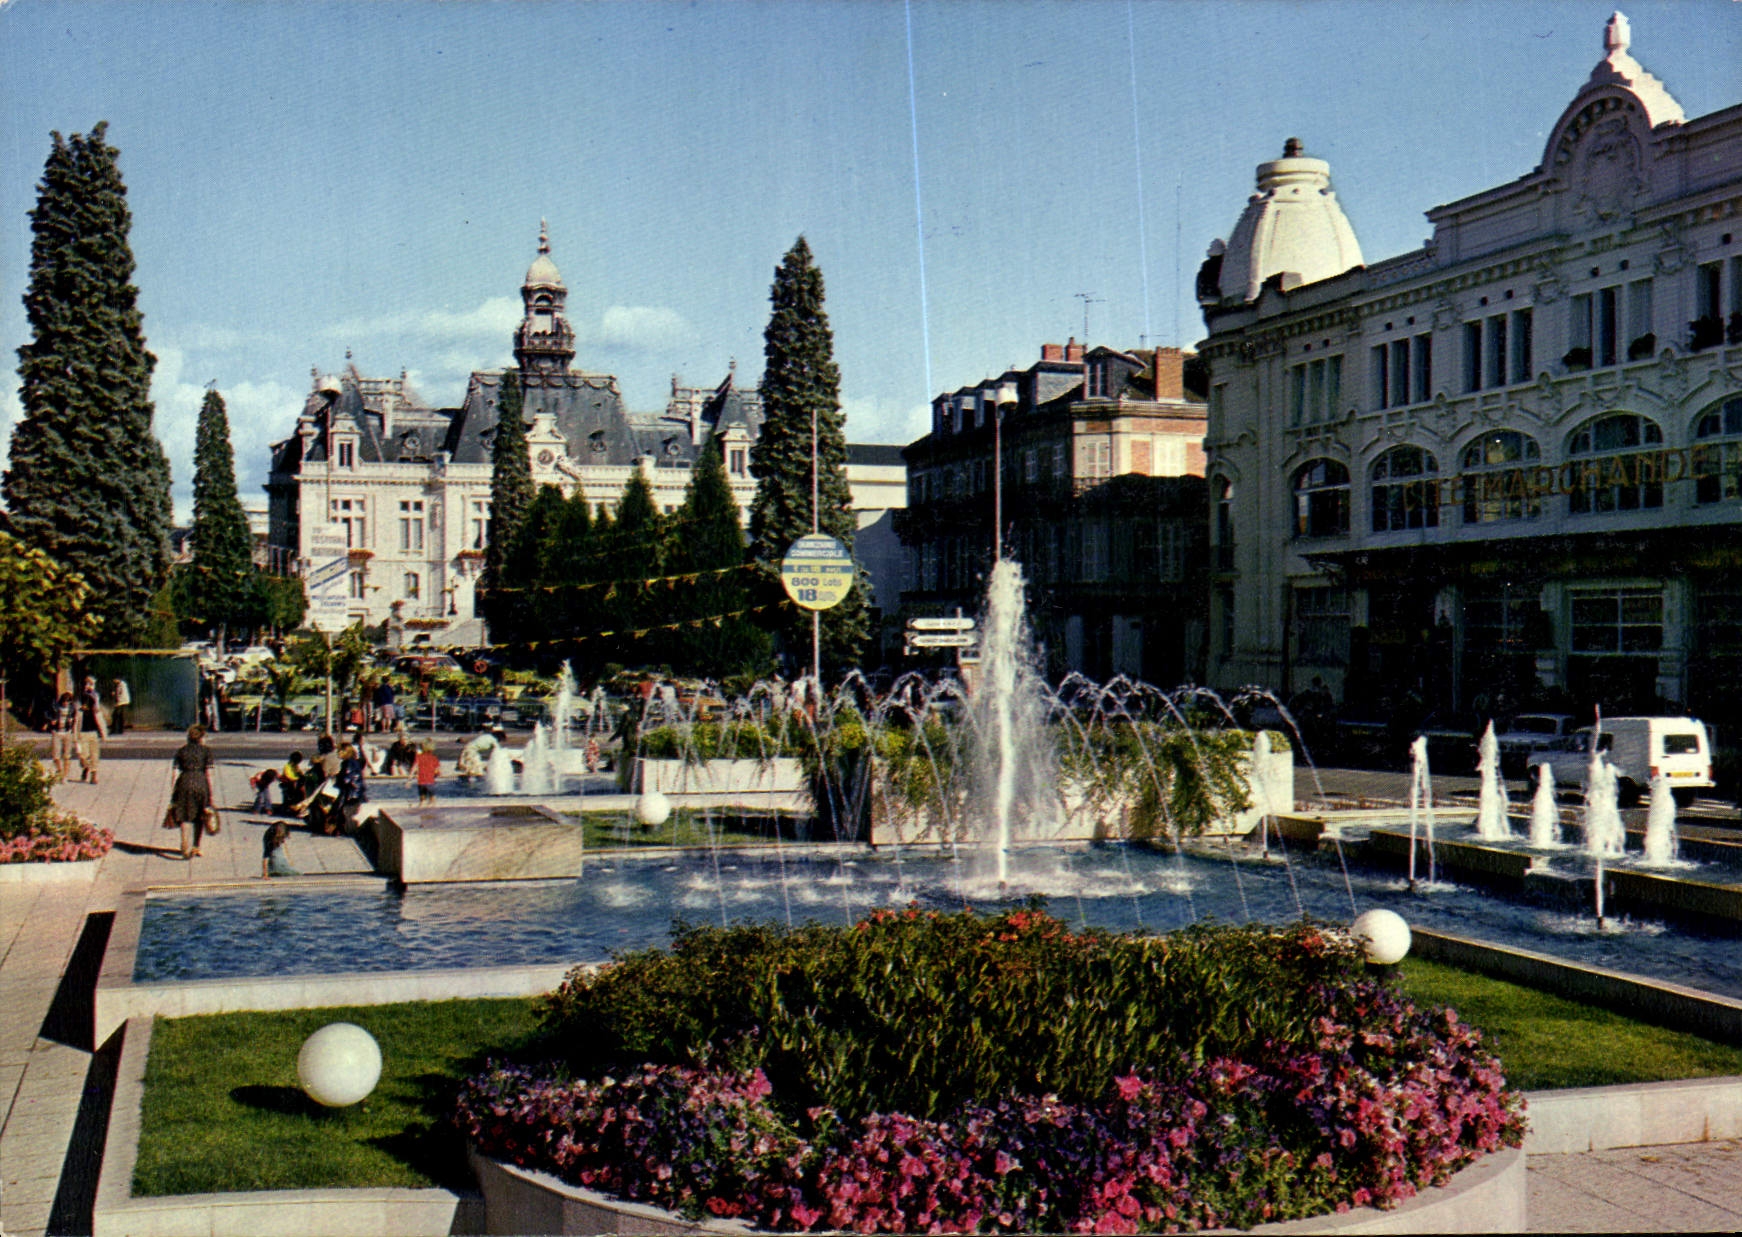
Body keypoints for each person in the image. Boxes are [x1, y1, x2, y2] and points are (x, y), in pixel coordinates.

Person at [169, 724, 216, 859]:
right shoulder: (206, 751)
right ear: (201, 738)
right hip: (200, 783)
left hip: (184, 782)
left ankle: (184, 846)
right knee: (200, 816)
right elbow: (209, 773)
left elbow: (174, 773)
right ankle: (196, 846)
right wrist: (211, 793)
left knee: (184, 815)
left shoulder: (181, 751)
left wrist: (173, 791)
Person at [73, 676, 108, 783]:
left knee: (94, 755)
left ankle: (94, 774)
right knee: (83, 756)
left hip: (93, 732)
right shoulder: (79, 710)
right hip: (82, 733)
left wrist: (103, 734)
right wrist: (75, 737)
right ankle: (86, 767)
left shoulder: (96, 709)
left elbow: (101, 720)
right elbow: (75, 723)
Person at [48, 690, 77, 782]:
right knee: (56, 755)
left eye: (68, 702)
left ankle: (65, 775)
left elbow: (75, 719)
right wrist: (51, 721)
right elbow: (47, 715)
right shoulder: (55, 707)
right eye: (64, 701)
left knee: (67, 755)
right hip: (57, 732)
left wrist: (72, 722)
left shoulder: (72, 708)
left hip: (67, 732)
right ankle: (60, 771)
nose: (66, 703)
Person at [414, 739, 441, 805]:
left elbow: (415, 768)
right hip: (430, 782)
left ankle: (421, 811)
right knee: (432, 800)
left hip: (421, 782)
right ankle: (431, 812)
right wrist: (435, 775)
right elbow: (437, 771)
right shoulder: (434, 758)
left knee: (422, 801)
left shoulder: (418, 757)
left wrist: (409, 779)